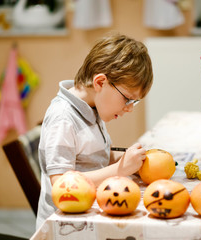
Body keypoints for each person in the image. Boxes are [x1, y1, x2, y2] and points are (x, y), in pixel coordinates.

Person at [36, 33, 153, 229]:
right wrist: (120, 169)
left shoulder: (91, 109)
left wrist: (133, 161)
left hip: (88, 212)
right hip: (65, 227)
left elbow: (93, 159)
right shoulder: (63, 117)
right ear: (100, 82)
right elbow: (61, 185)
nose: (130, 108)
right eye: (127, 99)